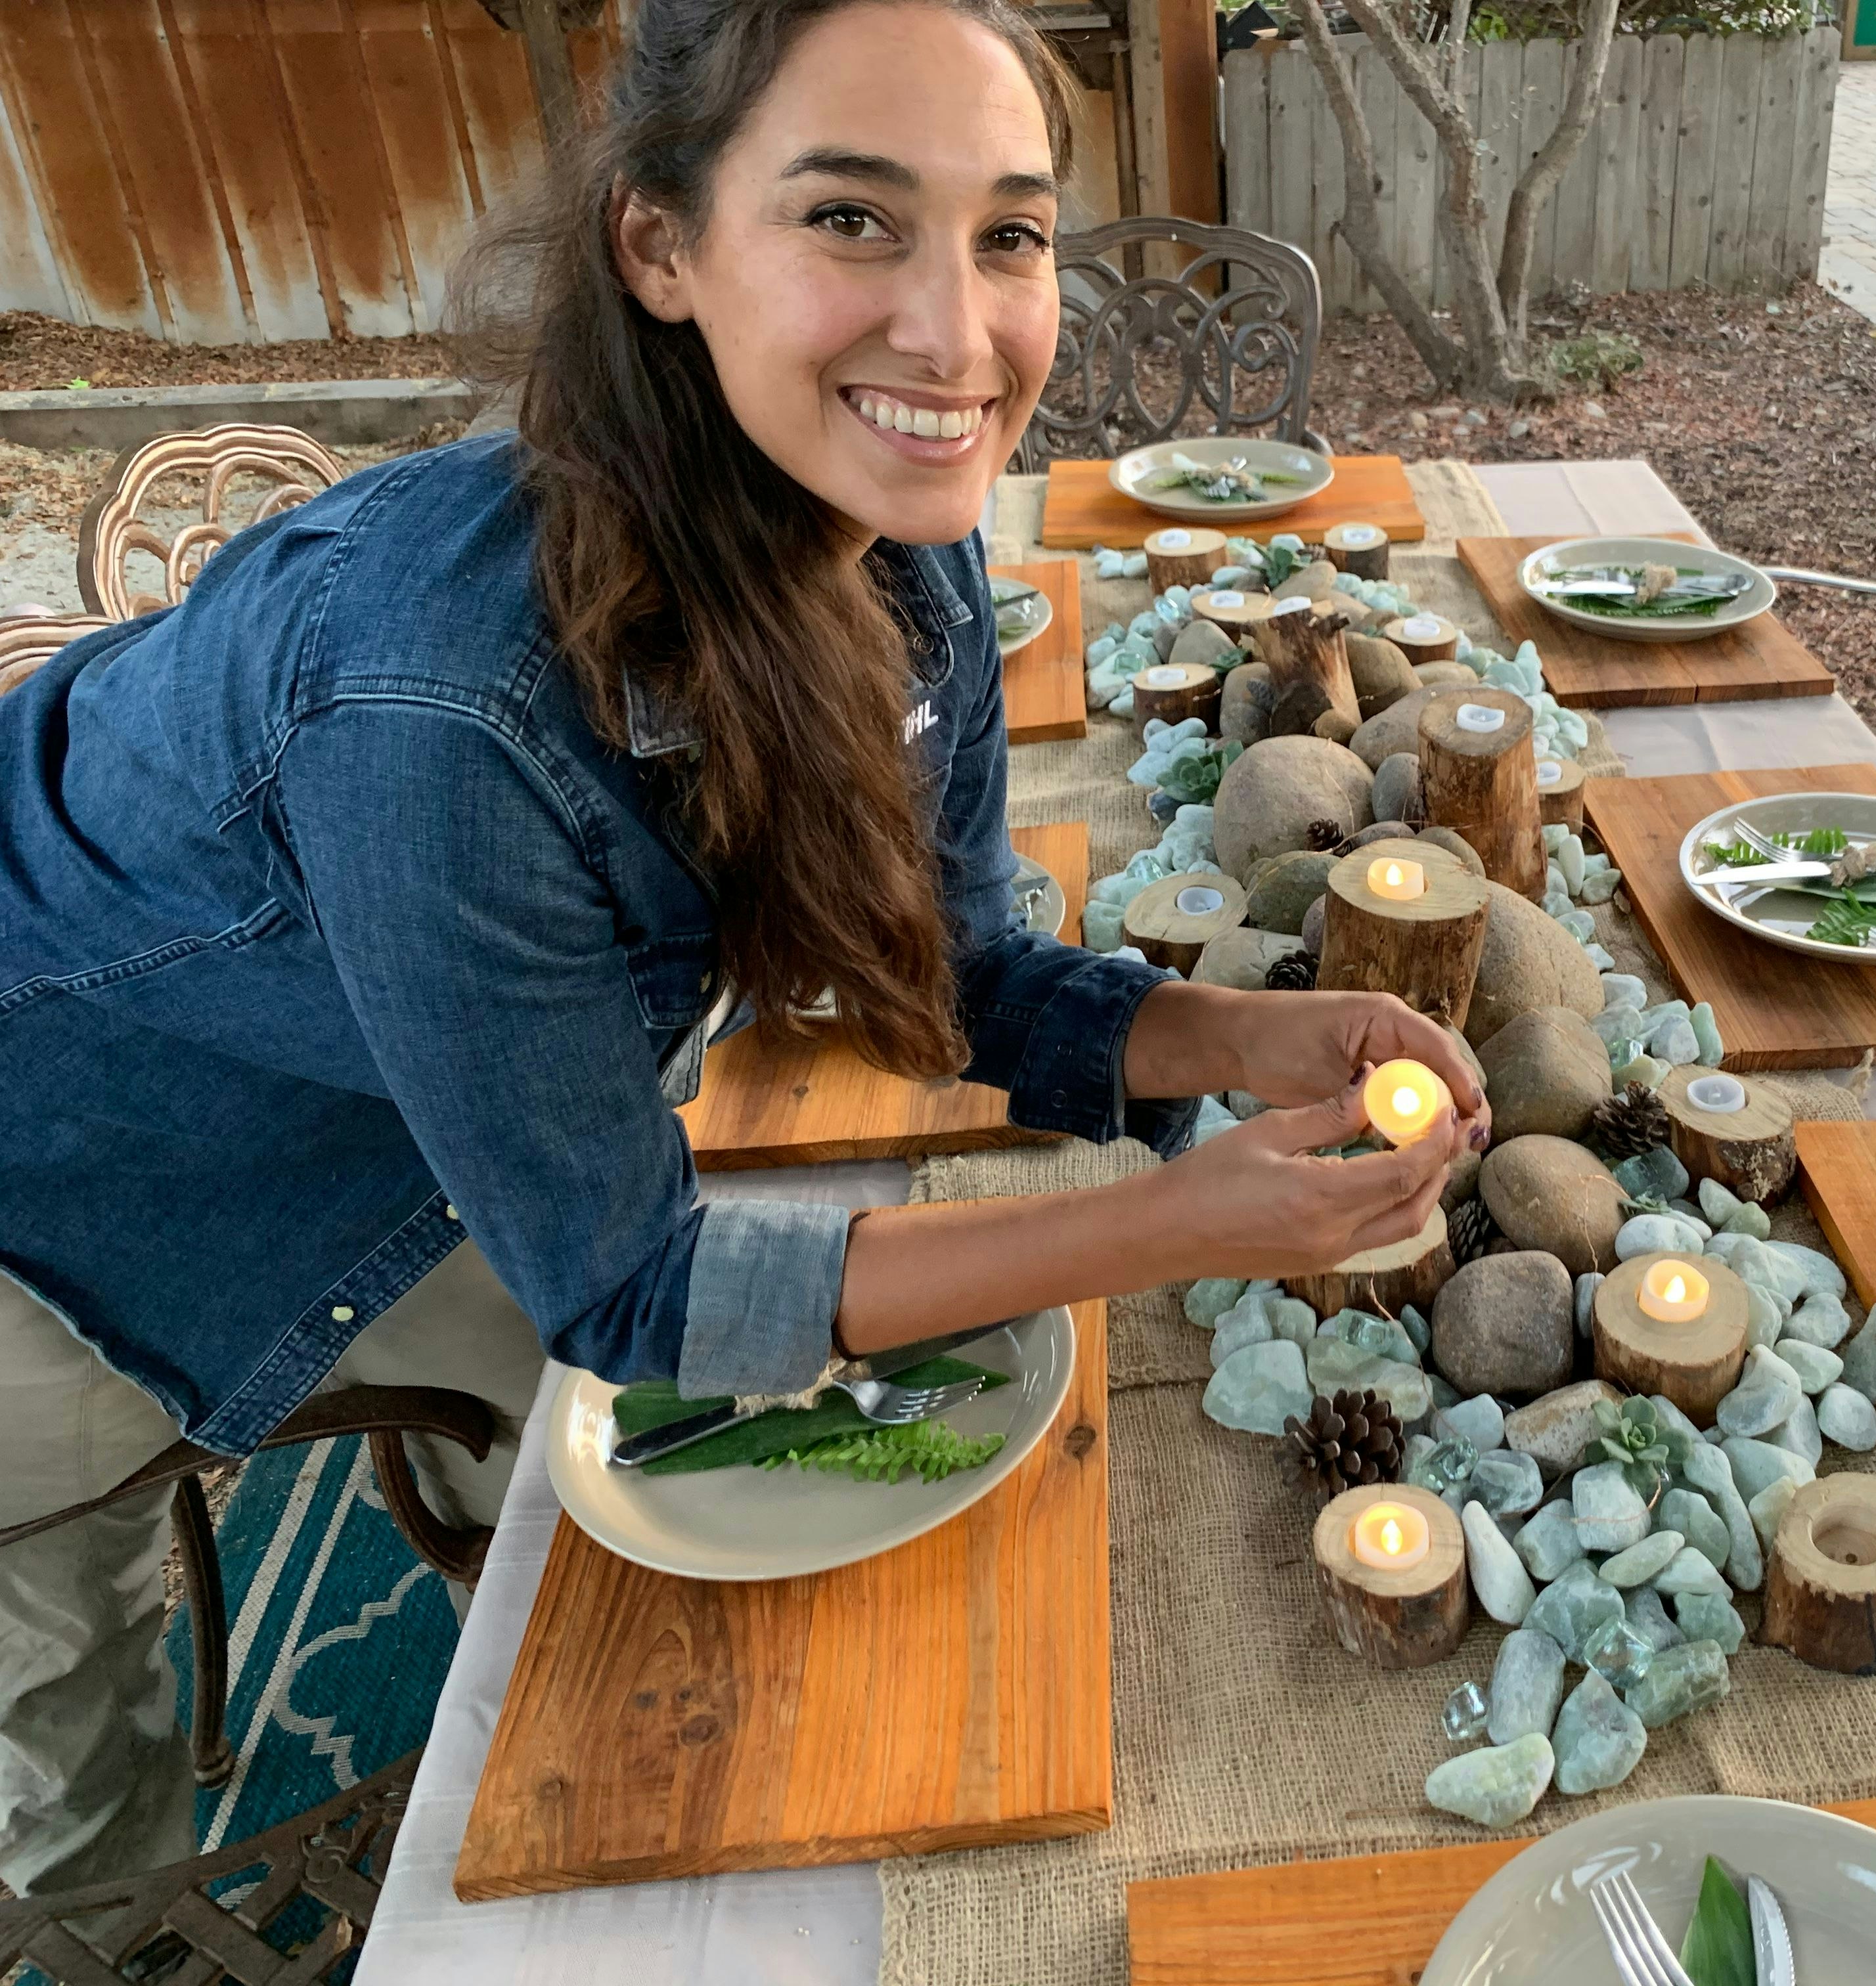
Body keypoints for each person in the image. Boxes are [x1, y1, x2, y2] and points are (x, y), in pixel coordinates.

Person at [0, 0, 1486, 1892]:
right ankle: (94, 1918)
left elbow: (939, 969)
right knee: (79, 1671)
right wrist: (1178, 1225)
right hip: (57, 1153)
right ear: (660, 242)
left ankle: (471, 1531)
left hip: (397, 1078)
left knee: (568, 1473)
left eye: (1010, 233)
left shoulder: (898, 537)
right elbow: (636, 1295)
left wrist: (1228, 1037)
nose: (958, 338)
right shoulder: (439, 715)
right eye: (853, 220)